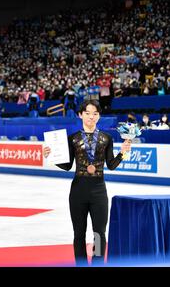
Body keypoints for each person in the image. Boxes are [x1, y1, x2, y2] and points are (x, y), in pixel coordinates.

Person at [43, 100, 131, 266]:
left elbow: (111, 165)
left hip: (99, 191)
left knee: (99, 233)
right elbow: (67, 166)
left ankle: (97, 263)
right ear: (80, 115)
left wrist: (123, 154)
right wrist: (51, 157)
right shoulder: (73, 138)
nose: (91, 117)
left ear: (99, 116)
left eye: (95, 113)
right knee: (79, 233)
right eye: (88, 113)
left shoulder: (107, 138)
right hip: (78, 191)